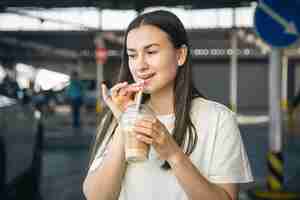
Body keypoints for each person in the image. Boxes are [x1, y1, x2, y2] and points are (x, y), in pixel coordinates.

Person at [83, 10, 253, 200]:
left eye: (151, 52)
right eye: (132, 55)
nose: (140, 66)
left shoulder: (218, 119)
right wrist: (126, 121)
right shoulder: (118, 116)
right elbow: (97, 197)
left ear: (180, 55)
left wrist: (173, 154)